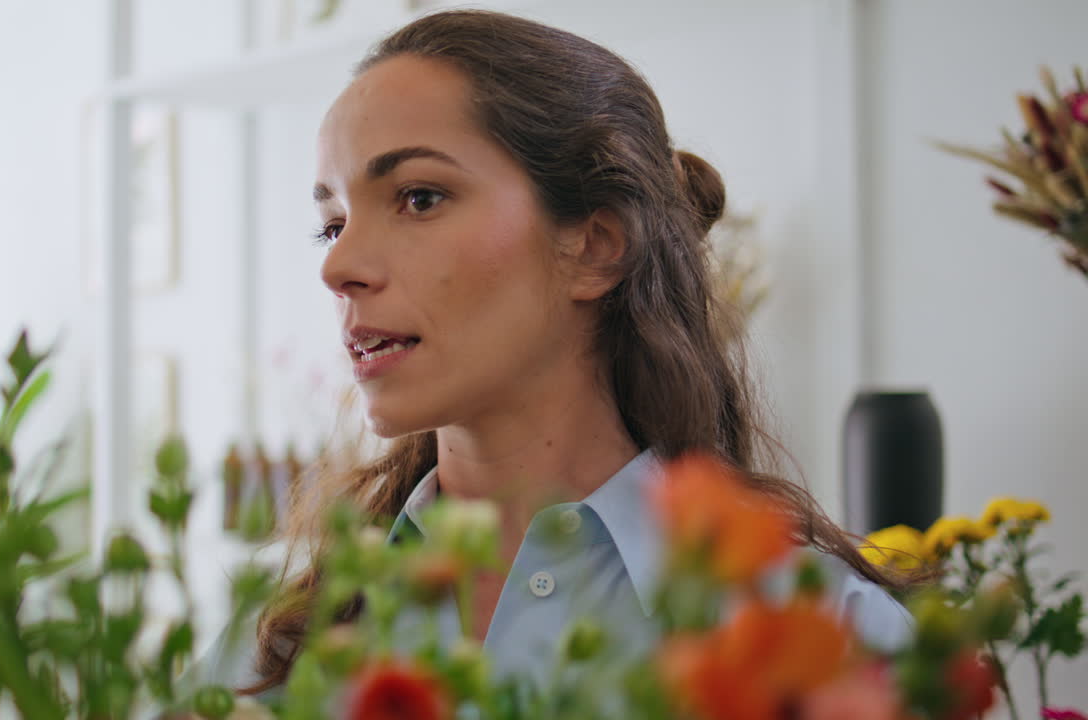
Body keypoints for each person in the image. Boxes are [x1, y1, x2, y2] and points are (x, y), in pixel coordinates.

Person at [192, 8, 912, 698]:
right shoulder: (285, 645)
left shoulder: (826, 637)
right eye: (332, 223)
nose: (338, 265)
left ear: (595, 246)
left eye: (418, 198)